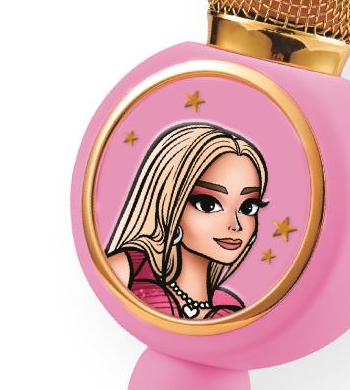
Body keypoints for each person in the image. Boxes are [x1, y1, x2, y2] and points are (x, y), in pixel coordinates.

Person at [105, 122, 269, 319]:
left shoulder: (231, 309)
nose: (235, 225)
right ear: (168, 203)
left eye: (247, 208)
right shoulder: (127, 270)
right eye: (208, 205)